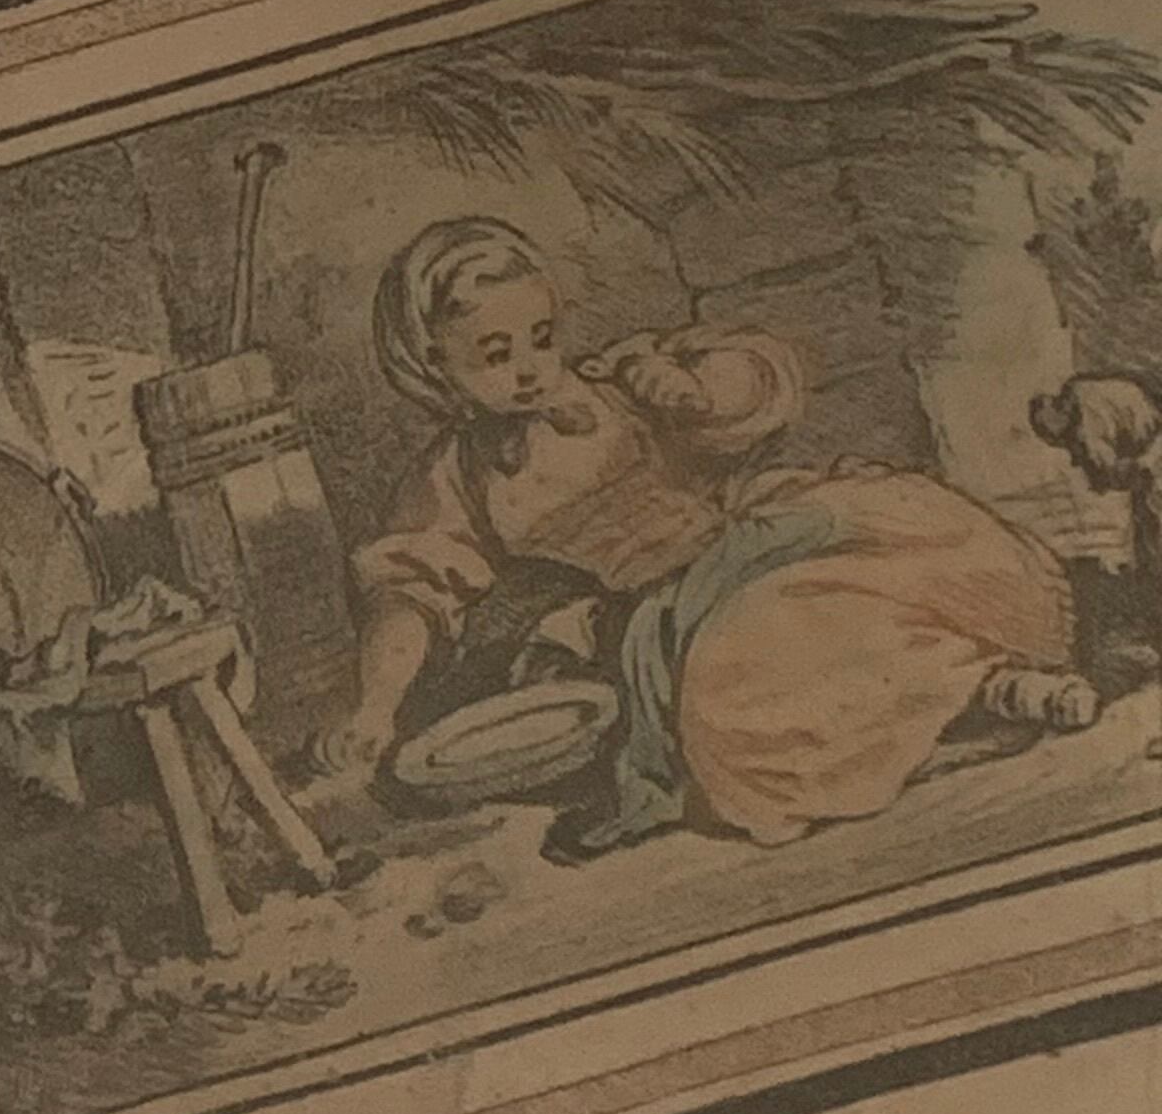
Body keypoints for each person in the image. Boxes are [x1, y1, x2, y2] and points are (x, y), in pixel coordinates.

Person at [312, 216, 1092, 847]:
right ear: (433, 365)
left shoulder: (617, 382)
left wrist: (693, 390)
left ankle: (987, 670)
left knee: (885, 549)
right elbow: (409, 594)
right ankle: (979, 692)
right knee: (750, 664)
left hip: (747, 542)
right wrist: (376, 707)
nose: (529, 368)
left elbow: (761, 378)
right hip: (658, 617)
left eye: (542, 337)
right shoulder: (454, 477)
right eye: (494, 354)